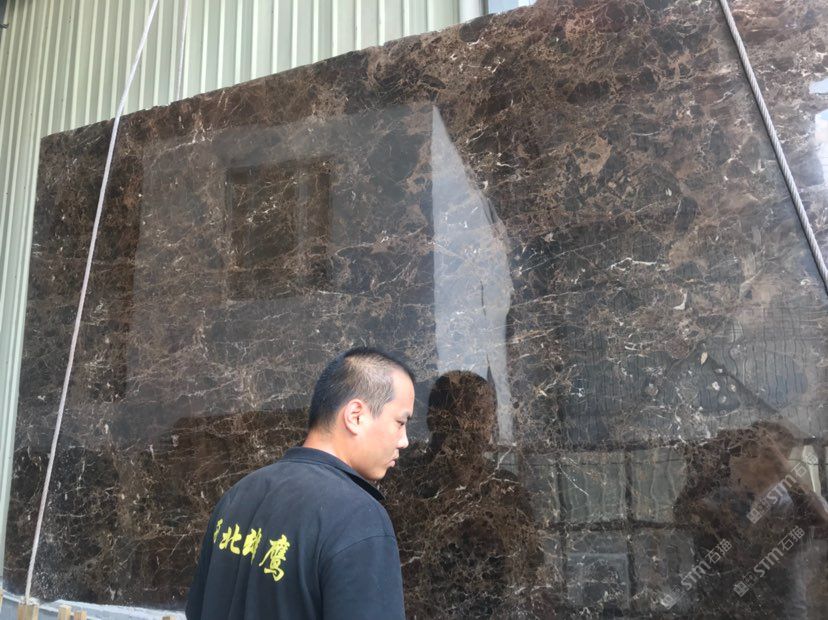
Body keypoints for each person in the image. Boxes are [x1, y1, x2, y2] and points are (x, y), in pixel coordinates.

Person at [185, 347, 416, 619]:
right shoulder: (358, 519)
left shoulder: (237, 495)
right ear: (356, 416)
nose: (404, 441)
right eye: (400, 422)